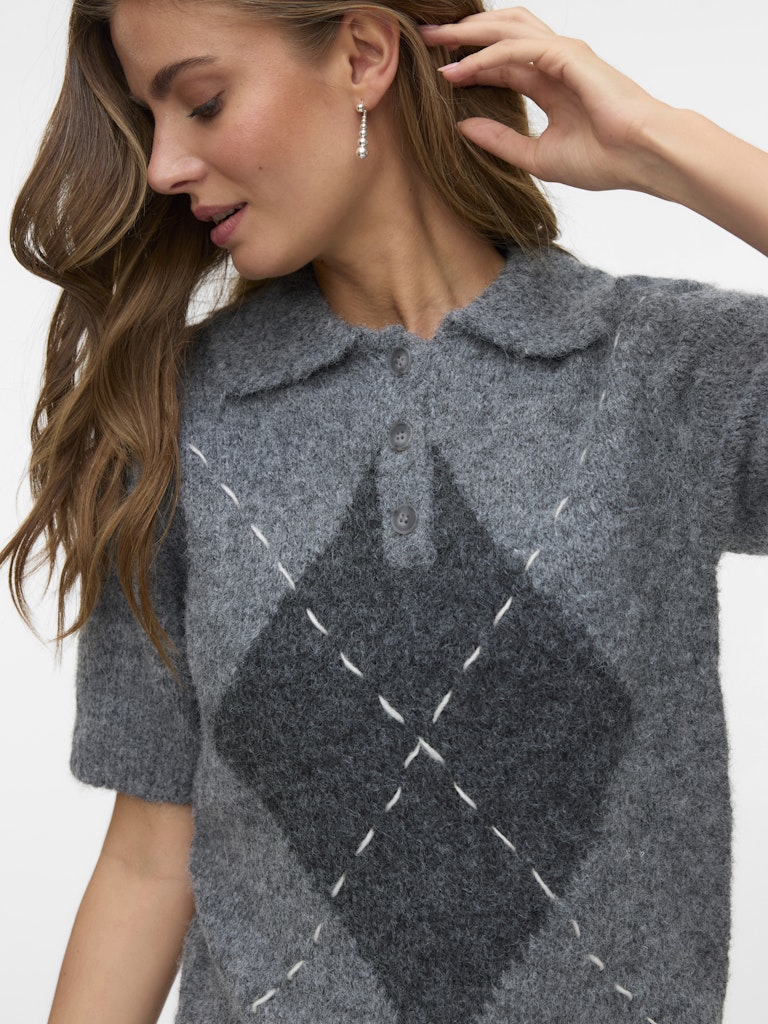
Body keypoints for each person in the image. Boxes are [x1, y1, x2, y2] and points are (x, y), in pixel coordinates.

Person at [2, 1, 766, 1022]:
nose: (164, 167)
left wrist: (664, 142)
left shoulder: (659, 375)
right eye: (151, 122)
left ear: (365, 56)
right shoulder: (174, 419)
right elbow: (148, 856)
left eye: (204, 101)